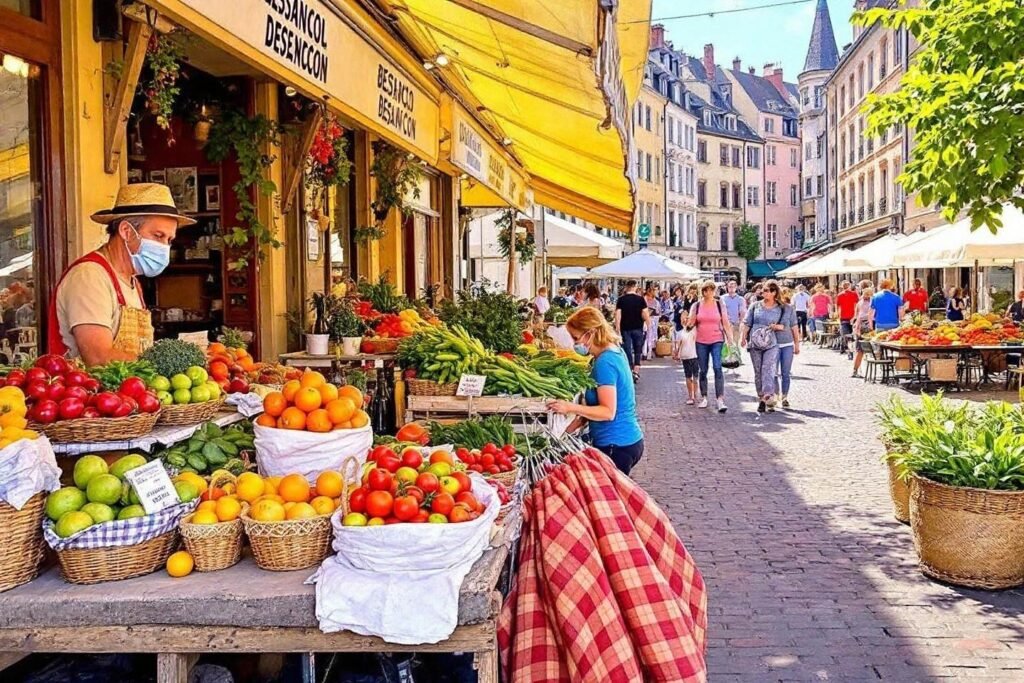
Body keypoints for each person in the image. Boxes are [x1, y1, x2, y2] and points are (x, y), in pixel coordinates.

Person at [50, 183, 191, 364]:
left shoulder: (132, 281)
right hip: (91, 383)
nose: (164, 246)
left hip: (129, 383)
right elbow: (97, 357)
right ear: (126, 231)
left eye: (169, 240)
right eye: (158, 236)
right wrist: (163, 365)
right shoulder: (90, 277)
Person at [548, 307, 644, 475]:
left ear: (591, 333)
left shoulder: (605, 362)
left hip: (616, 445)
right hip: (624, 441)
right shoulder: (614, 351)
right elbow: (593, 408)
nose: (575, 344)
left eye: (576, 338)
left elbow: (607, 412)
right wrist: (566, 432)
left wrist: (570, 407)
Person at [686, 280, 734, 413]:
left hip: (717, 339)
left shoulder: (719, 304)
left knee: (717, 367)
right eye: (707, 290)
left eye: (712, 290)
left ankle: (720, 399)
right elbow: (690, 323)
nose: (710, 292)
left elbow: (725, 322)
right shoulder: (696, 305)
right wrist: (689, 323)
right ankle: (704, 397)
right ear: (703, 292)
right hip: (701, 341)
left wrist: (730, 339)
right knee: (703, 370)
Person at [741, 280, 787, 413]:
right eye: (763, 290)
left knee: (768, 368)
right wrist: (743, 337)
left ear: (774, 292)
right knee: (758, 371)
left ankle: (768, 395)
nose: (763, 292)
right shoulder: (755, 306)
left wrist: (776, 326)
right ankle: (761, 398)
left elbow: (784, 325)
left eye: (766, 290)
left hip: (771, 343)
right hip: (755, 342)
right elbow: (747, 323)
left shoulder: (780, 308)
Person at [614, 280, 649, 382]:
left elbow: (618, 315)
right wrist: (648, 324)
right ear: (635, 287)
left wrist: (617, 328)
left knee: (627, 349)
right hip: (638, 327)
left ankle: (630, 369)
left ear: (626, 287)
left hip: (625, 328)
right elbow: (645, 314)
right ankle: (636, 371)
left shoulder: (621, 299)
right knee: (638, 349)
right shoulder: (640, 299)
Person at [774, 289, 801, 408]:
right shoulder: (770, 308)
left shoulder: (790, 309)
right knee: (773, 373)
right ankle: (775, 396)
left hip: (787, 344)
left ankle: (784, 397)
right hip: (773, 344)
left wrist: (797, 344)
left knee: (786, 373)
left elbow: (794, 327)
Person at [851, 287, 874, 377]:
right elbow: (871, 315)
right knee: (874, 349)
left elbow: (856, 316)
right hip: (868, 326)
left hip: (860, 327)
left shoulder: (859, 303)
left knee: (859, 350)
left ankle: (855, 370)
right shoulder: (872, 302)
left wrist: (856, 327)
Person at [676, 323, 699, 405]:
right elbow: (678, 345)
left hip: (695, 356)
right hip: (685, 356)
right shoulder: (681, 332)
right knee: (688, 376)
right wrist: (677, 354)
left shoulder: (696, 330)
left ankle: (695, 395)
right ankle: (691, 396)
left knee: (695, 377)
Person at [721, 279, 747, 349]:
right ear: (727, 287)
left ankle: (734, 355)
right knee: (726, 343)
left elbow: (743, 312)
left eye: (733, 287)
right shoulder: (722, 298)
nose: (731, 288)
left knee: (735, 343)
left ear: (736, 287)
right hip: (725, 324)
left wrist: (741, 323)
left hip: (736, 324)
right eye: (730, 286)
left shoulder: (741, 299)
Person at [836, 281, 860, 352]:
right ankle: (852, 347)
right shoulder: (854, 294)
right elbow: (857, 305)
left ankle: (844, 347)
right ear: (849, 286)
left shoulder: (839, 295)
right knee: (853, 333)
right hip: (853, 316)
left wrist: (838, 315)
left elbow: (838, 306)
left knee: (844, 333)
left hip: (843, 316)